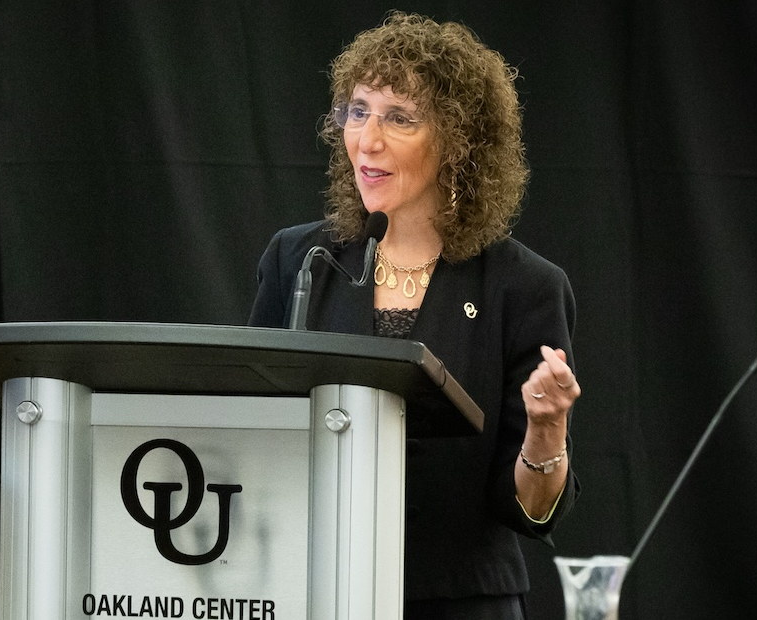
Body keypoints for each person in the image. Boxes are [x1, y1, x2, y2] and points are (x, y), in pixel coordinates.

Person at [249, 12, 582, 619]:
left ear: (457, 141)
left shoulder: (525, 287)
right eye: (358, 111)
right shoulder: (299, 260)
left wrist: (546, 428)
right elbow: (252, 434)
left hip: (461, 602)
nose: (367, 140)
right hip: (316, 589)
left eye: (399, 118)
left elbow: (531, 512)